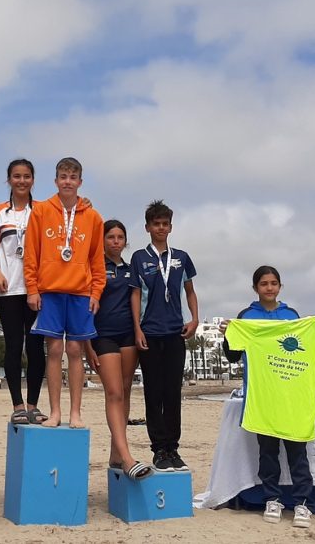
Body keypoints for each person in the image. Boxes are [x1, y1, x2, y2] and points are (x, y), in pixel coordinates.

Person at [221, 266, 315, 529]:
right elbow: (233, 356)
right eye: (264, 284)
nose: (269, 288)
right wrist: (228, 334)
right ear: (255, 288)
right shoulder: (247, 316)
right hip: (263, 398)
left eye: (274, 283)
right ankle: (272, 498)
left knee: (297, 453)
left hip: (292, 399)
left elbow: (306, 350)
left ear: (280, 286)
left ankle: (303, 502)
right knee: (267, 454)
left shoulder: (292, 316)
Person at [23, 157, 105, 428]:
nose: (67, 181)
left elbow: (97, 259)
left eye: (73, 177)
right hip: (50, 290)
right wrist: (32, 289)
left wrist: (96, 292)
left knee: (75, 349)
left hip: (81, 292)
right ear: (56, 180)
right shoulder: (41, 211)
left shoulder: (93, 217)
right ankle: (55, 411)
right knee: (55, 349)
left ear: (80, 182)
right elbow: (31, 253)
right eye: (63, 176)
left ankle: (76, 413)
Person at [129, 200, 199, 473]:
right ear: (147, 227)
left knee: (172, 393)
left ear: (170, 226)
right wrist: (137, 329)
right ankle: (158, 449)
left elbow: (190, 291)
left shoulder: (181, 257)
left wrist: (194, 319)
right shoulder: (139, 257)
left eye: (165, 223)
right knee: (153, 392)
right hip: (149, 332)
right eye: (156, 223)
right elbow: (135, 295)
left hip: (175, 332)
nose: (160, 228)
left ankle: (173, 448)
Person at [84, 220, 153, 480]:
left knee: (124, 391)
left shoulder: (130, 268)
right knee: (113, 392)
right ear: (102, 240)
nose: (115, 241)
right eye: (110, 237)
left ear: (125, 241)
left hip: (128, 335)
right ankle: (126, 458)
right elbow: (85, 306)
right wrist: (87, 346)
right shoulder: (95, 267)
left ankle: (116, 452)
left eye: (120, 237)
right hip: (102, 336)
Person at [0, 159, 48, 425]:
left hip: (36, 289)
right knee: (13, 346)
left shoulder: (44, 211)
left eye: (26, 176)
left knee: (35, 347)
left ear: (33, 179)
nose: (21, 181)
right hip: (8, 288)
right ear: (8, 180)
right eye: (16, 176)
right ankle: (17, 405)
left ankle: (33, 405)